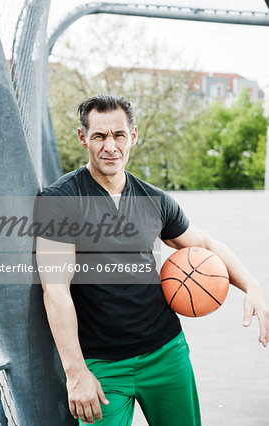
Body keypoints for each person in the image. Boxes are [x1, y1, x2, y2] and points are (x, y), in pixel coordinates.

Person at [35, 94, 269, 426]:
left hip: (165, 352)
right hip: (101, 366)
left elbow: (203, 243)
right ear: (82, 137)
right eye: (99, 136)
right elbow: (54, 290)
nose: (110, 146)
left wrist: (252, 286)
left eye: (118, 135)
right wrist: (76, 373)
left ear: (133, 135)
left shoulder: (155, 200)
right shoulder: (59, 201)